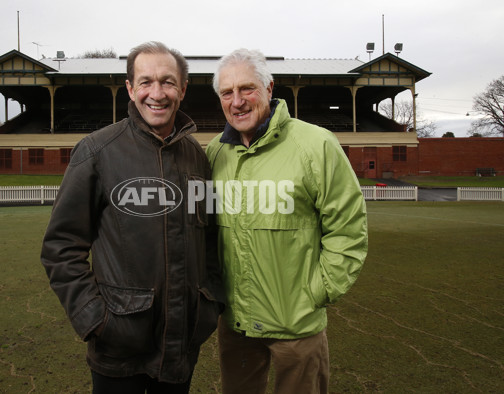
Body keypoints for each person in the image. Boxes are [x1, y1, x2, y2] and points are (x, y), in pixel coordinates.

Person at [41, 41, 224, 394]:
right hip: (117, 348)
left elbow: (212, 241)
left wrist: (209, 305)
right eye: (146, 82)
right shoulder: (96, 151)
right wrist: (95, 319)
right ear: (130, 88)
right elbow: (60, 246)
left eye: (168, 82)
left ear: (183, 89)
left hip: (182, 345)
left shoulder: (198, 160)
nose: (157, 93)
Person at [206, 48, 368, 394]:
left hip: (297, 326)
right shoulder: (214, 154)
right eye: (227, 92)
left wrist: (319, 290)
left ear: (269, 88)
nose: (237, 102)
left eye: (247, 88)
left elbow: (348, 227)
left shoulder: (316, 144)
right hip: (236, 325)